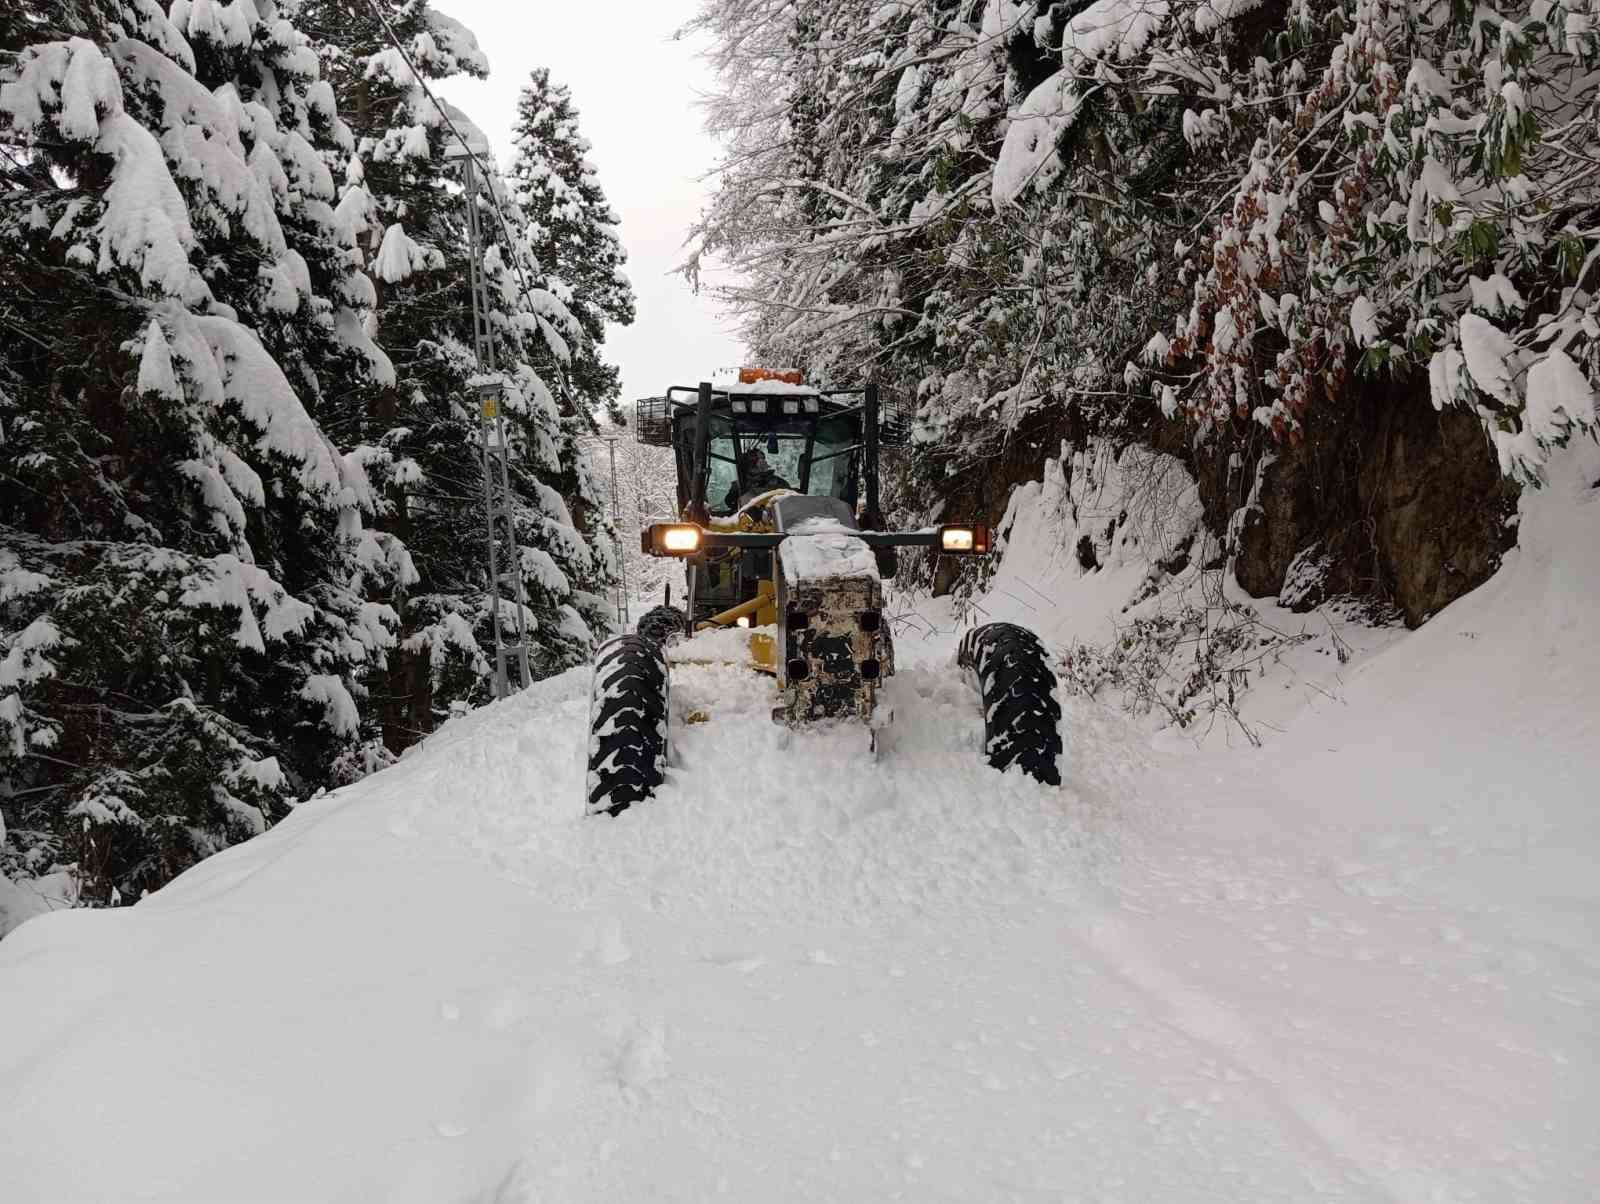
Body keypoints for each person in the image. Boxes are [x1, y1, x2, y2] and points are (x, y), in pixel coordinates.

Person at [724, 446, 792, 511]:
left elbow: (789, 502)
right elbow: (730, 502)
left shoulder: (777, 482)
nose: (763, 462)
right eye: (759, 459)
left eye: (762, 459)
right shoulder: (739, 485)